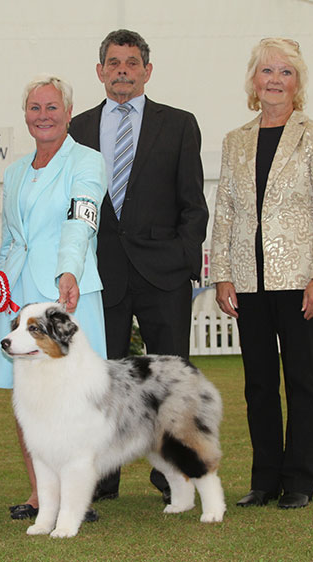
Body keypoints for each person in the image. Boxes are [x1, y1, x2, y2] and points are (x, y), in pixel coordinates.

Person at [68, 29, 208, 502]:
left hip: (164, 274)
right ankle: (102, 478)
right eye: (113, 62)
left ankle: (174, 476)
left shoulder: (180, 124)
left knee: (171, 382)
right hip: (100, 274)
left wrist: (185, 258)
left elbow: (194, 203)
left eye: (132, 62)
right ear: (100, 71)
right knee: (100, 381)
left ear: (147, 70)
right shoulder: (77, 128)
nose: (122, 70)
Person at [0, 75, 107, 520]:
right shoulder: (14, 171)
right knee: (27, 400)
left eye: (52, 107)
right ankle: (40, 497)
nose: (44, 115)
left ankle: (76, 499)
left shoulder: (88, 162)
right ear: (25, 115)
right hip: (17, 298)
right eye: (35, 108)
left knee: (77, 400)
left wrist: (68, 269)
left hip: (65, 293)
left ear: (69, 113)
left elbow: (81, 219)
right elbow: (10, 238)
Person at [210, 38, 313, 509]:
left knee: (301, 380)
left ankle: (298, 480)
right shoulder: (235, 140)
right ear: (253, 82)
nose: (275, 80)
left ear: (297, 84)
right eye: (266, 71)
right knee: (258, 382)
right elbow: (225, 212)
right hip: (248, 280)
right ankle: (264, 479)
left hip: (299, 279)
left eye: (285, 72)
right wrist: (222, 273)